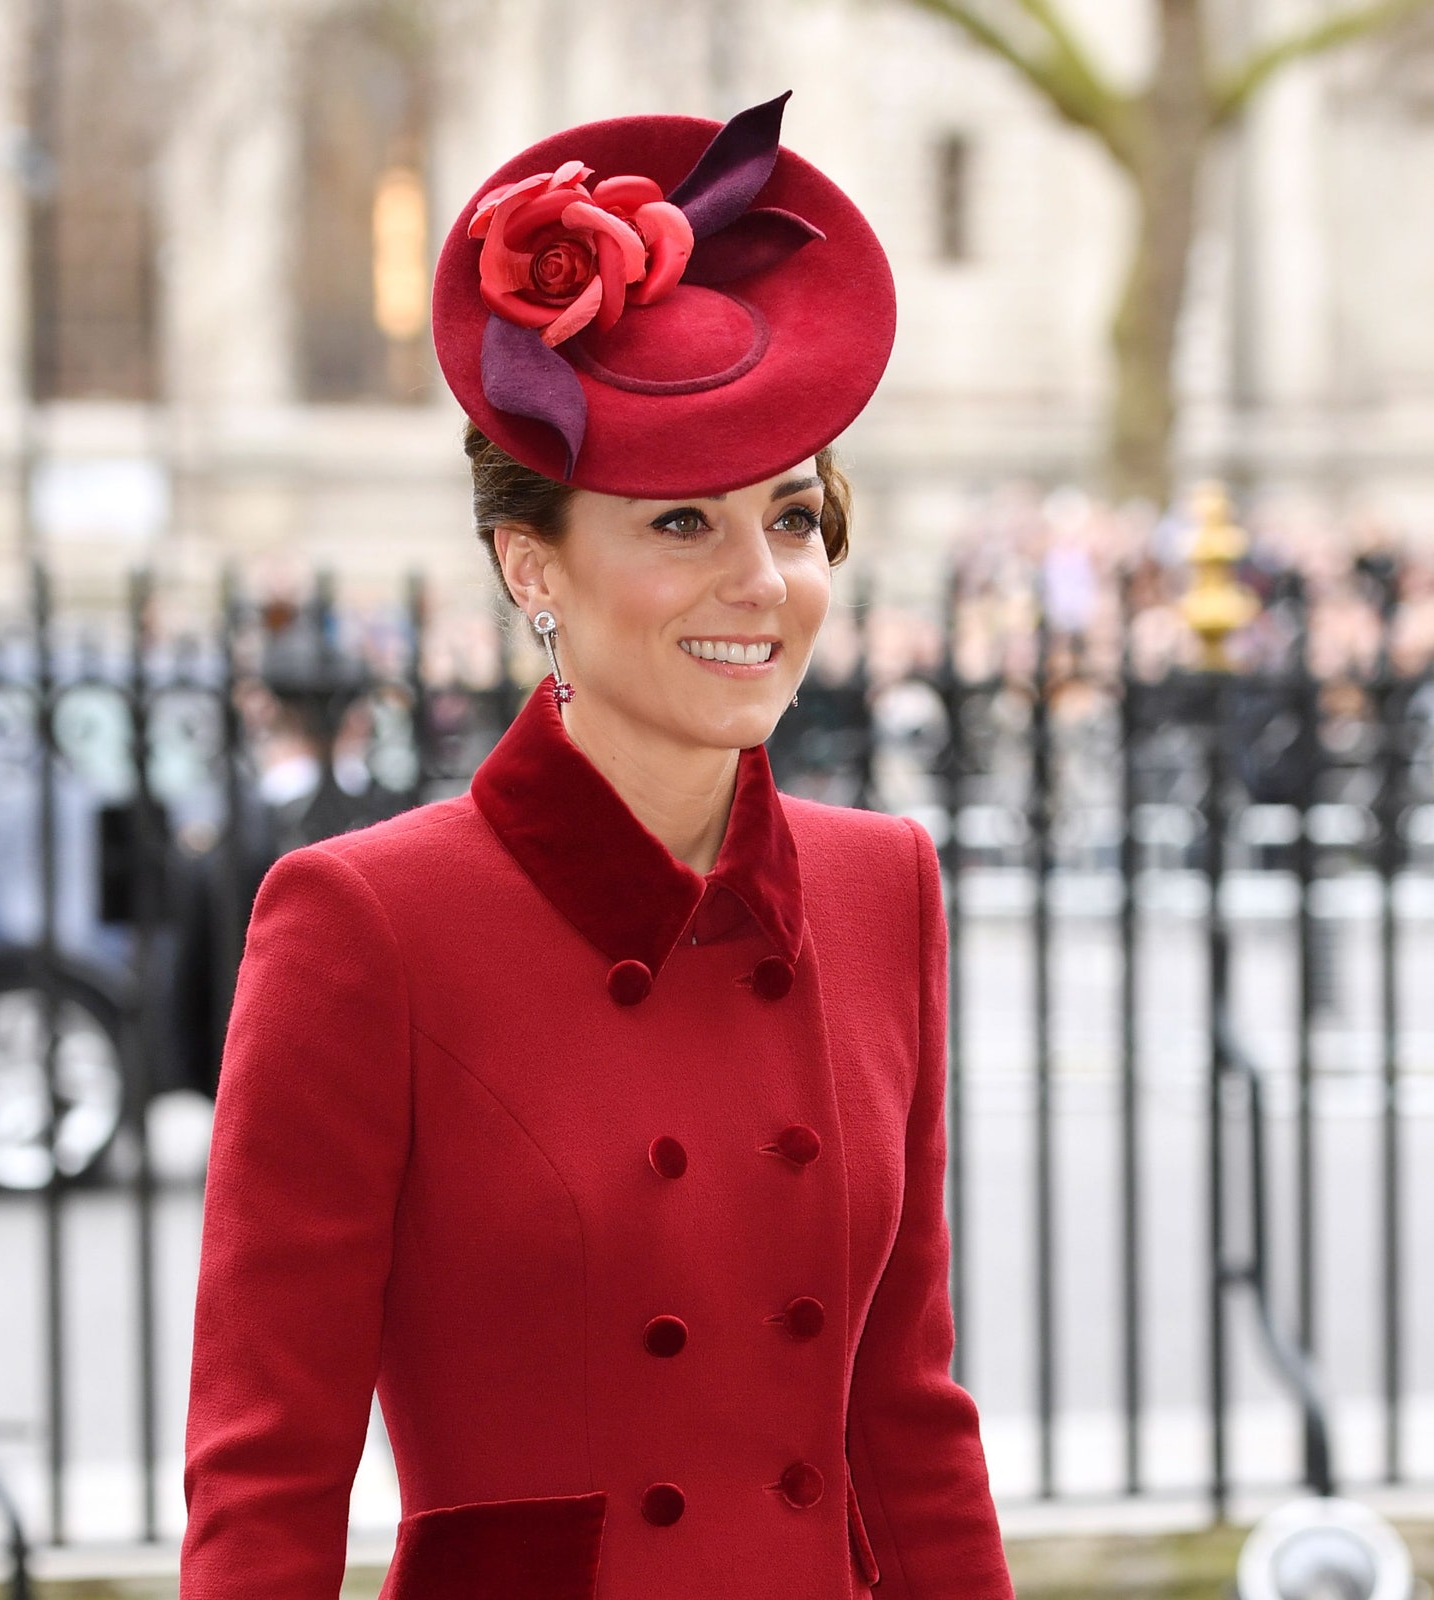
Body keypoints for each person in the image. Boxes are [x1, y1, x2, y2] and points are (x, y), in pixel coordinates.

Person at [179, 89, 1013, 1600]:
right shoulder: (363, 922)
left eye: (796, 518)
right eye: (681, 524)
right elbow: (266, 1474)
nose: (763, 583)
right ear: (529, 563)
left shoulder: (883, 886)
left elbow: (909, 1417)